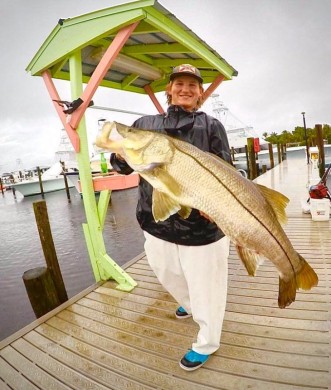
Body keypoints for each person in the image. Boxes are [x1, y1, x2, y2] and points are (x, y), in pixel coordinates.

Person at [110, 64, 232, 371]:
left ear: (201, 92)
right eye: (179, 83)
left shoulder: (212, 125)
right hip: (156, 222)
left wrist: (218, 204)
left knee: (207, 288)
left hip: (202, 229)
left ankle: (207, 341)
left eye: (193, 85)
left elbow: (227, 169)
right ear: (169, 88)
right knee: (167, 273)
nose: (186, 89)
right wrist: (120, 155)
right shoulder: (145, 124)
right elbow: (122, 168)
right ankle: (189, 304)